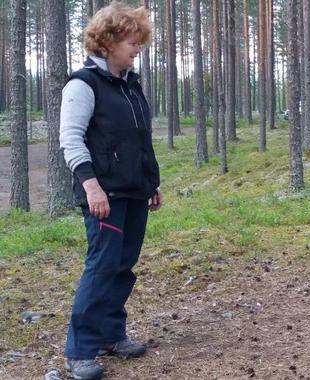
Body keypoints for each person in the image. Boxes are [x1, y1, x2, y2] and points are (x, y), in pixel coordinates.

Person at [58, 2, 160, 379]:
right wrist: (91, 186)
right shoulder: (83, 84)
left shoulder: (131, 86)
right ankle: (80, 351)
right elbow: (70, 139)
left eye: (139, 42)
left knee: (122, 267)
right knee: (101, 268)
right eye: (132, 41)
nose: (138, 48)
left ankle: (111, 335)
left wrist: (153, 183)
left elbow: (139, 140)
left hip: (134, 192)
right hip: (103, 196)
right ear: (109, 40)